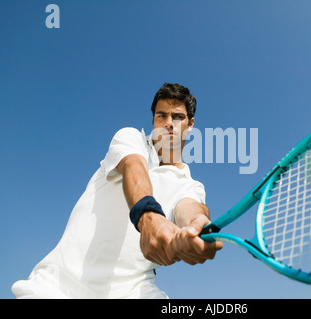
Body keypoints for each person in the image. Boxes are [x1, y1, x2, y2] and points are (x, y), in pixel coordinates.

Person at [12, 83, 223, 298]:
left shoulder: (190, 185)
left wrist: (195, 226)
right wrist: (148, 216)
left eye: (177, 117)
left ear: (190, 124)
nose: (169, 123)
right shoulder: (130, 138)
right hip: (56, 288)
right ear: (153, 121)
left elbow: (190, 208)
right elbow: (134, 166)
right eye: (162, 116)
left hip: (134, 290)